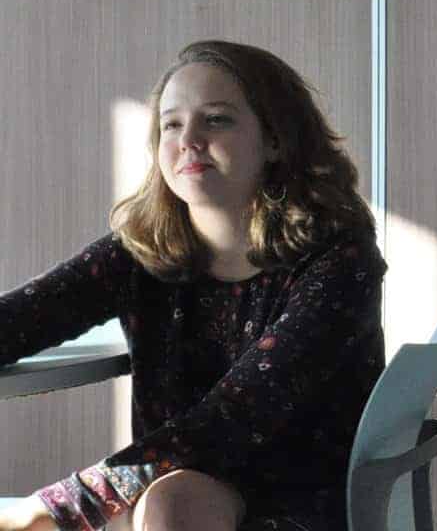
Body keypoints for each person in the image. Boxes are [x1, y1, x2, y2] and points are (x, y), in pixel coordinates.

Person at [0, 41, 385, 531]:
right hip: (185, 485)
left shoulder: (339, 261)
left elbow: (239, 414)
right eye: (171, 124)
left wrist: (67, 505)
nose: (189, 140)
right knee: (173, 499)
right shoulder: (141, 250)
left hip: (303, 497)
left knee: (170, 502)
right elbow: (23, 319)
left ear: (275, 140)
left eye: (217, 120)